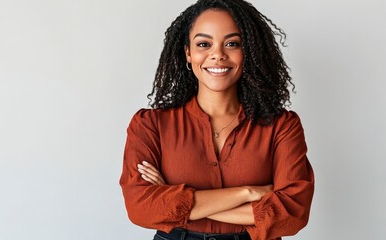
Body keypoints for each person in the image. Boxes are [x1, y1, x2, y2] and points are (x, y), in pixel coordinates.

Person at [119, 0, 314, 239]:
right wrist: (248, 192)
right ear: (188, 53)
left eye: (232, 43)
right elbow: (141, 208)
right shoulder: (150, 125)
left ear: (248, 51)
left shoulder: (282, 126)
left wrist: (174, 202)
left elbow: (292, 213)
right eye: (204, 44)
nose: (218, 55)